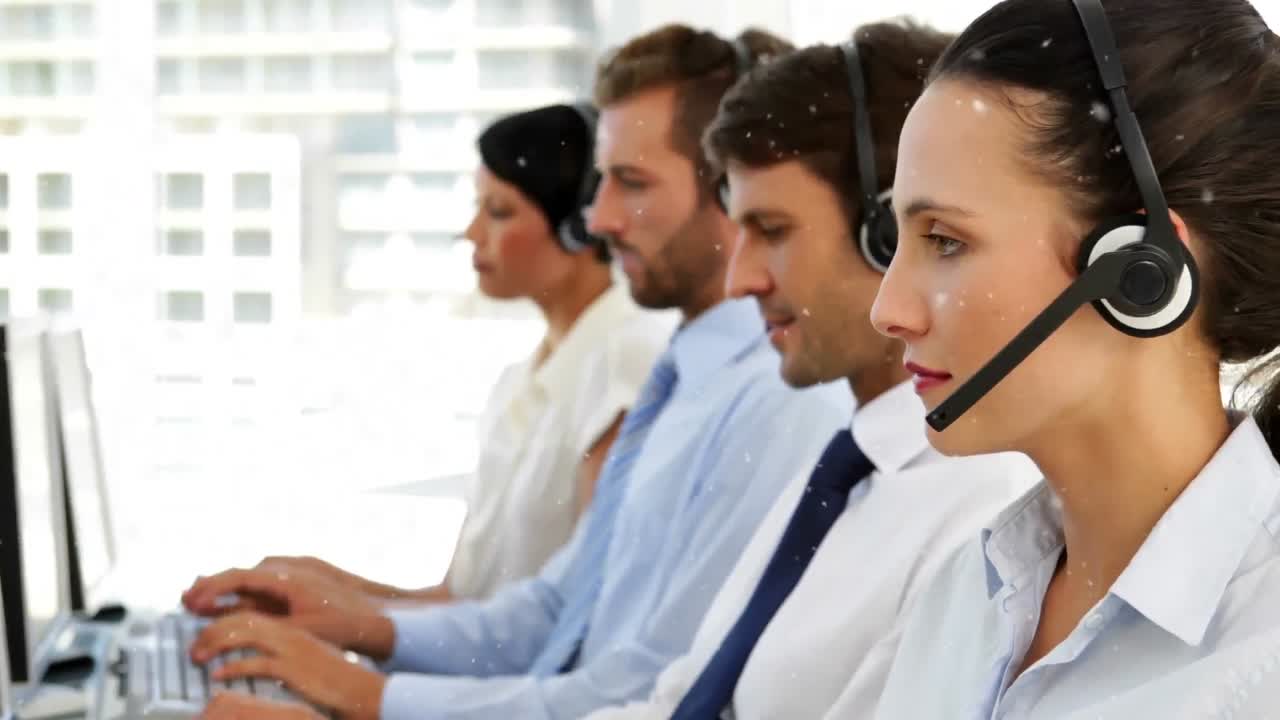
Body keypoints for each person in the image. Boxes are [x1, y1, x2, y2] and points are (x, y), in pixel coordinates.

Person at [189, 26, 853, 720]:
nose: (596, 219)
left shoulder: (780, 401)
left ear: (727, 188)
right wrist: (357, 630)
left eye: (630, 183)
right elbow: (552, 615)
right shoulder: (683, 378)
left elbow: (640, 693)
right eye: (601, 185)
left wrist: (364, 699)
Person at [583, 20, 1037, 720]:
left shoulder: (980, 511)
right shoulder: (842, 470)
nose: (740, 280)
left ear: (885, 234)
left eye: (772, 231)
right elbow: (679, 698)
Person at [861, 0, 1280, 717]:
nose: (887, 310)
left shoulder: (1259, 664)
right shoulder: (968, 590)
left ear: (1143, 271)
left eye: (946, 240)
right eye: (895, 238)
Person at [243, 104, 677, 608]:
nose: (471, 234)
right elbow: (465, 608)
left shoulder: (625, 360)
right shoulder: (517, 384)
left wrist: (344, 617)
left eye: (498, 212)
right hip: (477, 679)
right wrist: (321, 590)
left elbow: (580, 619)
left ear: (579, 227)